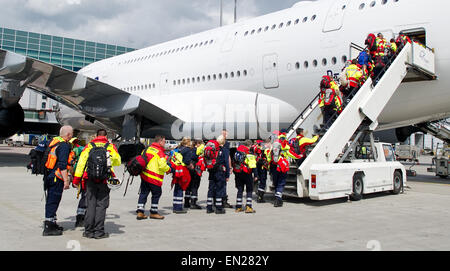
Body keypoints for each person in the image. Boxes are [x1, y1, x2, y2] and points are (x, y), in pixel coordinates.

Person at [72, 129, 121, 239]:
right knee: (101, 206)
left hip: (90, 179)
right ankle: (99, 232)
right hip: (104, 180)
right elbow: (118, 161)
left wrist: (76, 179)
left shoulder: (89, 146)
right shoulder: (110, 146)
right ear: (106, 136)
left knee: (90, 205)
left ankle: (88, 231)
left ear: (96, 135)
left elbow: (81, 163)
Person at [42, 125, 73, 236]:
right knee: (53, 200)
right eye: (72, 133)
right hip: (57, 177)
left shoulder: (53, 142)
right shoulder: (64, 145)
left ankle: (52, 222)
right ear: (68, 135)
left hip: (49, 175)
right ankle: (48, 227)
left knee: (51, 199)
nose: (72, 135)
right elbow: (63, 165)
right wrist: (66, 180)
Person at [135, 135, 171, 220]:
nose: (165, 143)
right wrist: (169, 169)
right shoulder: (160, 152)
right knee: (156, 194)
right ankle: (153, 212)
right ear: (160, 141)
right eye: (164, 141)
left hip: (144, 175)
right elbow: (162, 166)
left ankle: (140, 212)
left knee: (143, 193)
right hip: (154, 177)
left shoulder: (147, 149)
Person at [271, 130, 303, 207]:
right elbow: (290, 153)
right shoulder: (284, 144)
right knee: (281, 182)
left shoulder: (274, 144)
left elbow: (269, 155)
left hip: (274, 165)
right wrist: (298, 156)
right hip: (282, 166)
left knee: (276, 182)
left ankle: (277, 197)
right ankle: (278, 200)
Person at [206, 135, 229, 214]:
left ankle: (209, 207)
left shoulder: (213, 149)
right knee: (219, 189)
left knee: (211, 189)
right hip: (220, 172)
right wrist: (227, 175)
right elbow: (226, 163)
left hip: (211, 171)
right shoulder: (224, 150)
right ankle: (219, 208)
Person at [233, 140, 257, 213]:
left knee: (240, 190)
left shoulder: (237, 151)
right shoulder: (249, 153)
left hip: (238, 173)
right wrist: (256, 175)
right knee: (249, 190)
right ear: (249, 145)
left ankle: (238, 207)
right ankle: (248, 207)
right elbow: (253, 165)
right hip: (247, 174)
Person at [171, 137, 194, 214]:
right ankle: (178, 207)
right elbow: (187, 161)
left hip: (176, 169)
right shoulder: (187, 150)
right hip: (182, 170)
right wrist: (190, 165)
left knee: (177, 187)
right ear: (188, 142)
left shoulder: (178, 148)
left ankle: (175, 205)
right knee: (181, 187)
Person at [69, 137, 87, 228]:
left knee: (83, 195)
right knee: (85, 196)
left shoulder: (73, 151)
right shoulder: (80, 149)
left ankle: (80, 217)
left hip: (77, 175)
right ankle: (81, 218)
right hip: (82, 175)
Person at [185, 139, 204, 209]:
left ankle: (186, 202)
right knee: (195, 185)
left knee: (188, 185)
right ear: (197, 144)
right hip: (195, 169)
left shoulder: (189, 149)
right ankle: (193, 202)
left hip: (189, 168)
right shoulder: (197, 150)